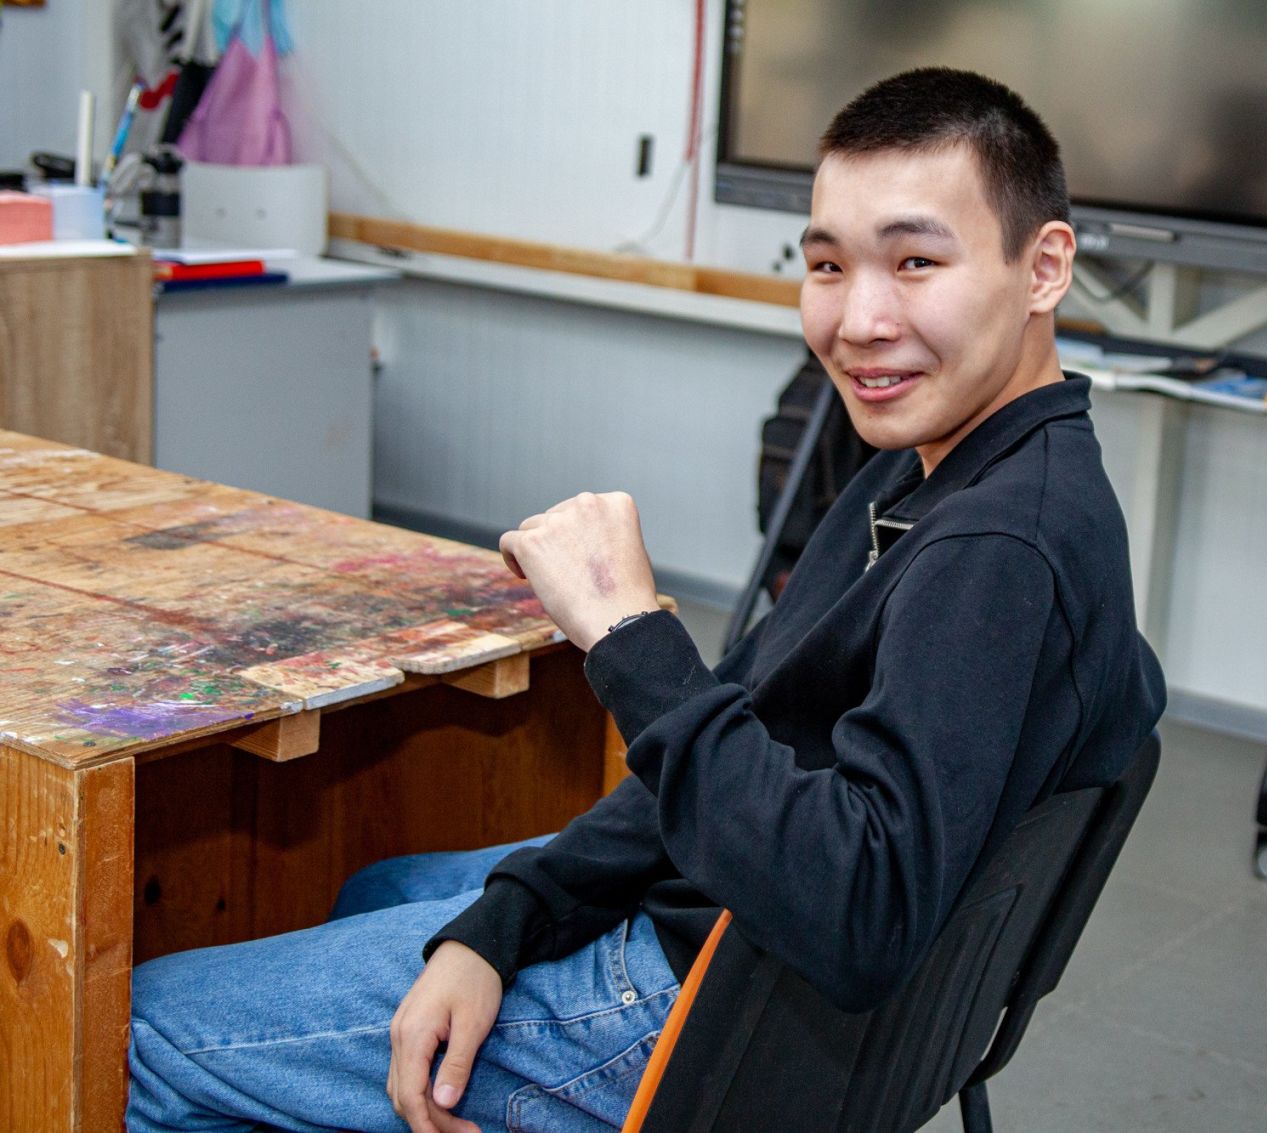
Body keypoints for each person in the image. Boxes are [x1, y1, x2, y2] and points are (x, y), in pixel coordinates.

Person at [126, 66, 1165, 1133]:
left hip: (698, 1006)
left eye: (915, 262)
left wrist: (628, 634)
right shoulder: (941, 470)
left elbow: (857, 911)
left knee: (144, 1032)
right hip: (734, 932)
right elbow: (742, 724)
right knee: (385, 890)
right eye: (826, 264)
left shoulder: (995, 549)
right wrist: (510, 918)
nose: (858, 320)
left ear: (1042, 269)